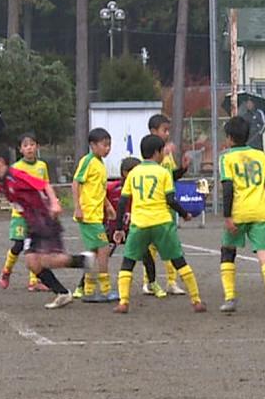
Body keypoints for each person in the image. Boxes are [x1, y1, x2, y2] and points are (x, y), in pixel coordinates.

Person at [0, 150, 94, 309]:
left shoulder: (16, 175)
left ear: (0, 161)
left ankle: (85, 261)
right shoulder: (0, 180)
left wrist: (54, 202)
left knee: (47, 260)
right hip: (32, 223)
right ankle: (62, 293)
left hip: (44, 219)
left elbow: (44, 184)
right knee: (32, 262)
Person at [113, 135, 205, 315]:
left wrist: (118, 228)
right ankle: (196, 301)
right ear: (156, 152)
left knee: (128, 262)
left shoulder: (133, 173)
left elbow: (123, 202)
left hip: (139, 224)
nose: (164, 154)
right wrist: (184, 213)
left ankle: (124, 302)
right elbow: (170, 199)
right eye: (163, 151)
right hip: (162, 222)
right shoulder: (163, 172)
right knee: (179, 260)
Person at [218, 116, 265, 316]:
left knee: (228, 251)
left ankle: (230, 298)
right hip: (260, 211)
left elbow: (227, 188)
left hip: (238, 213)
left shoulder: (226, 158)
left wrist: (227, 216)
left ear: (229, 137)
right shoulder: (260, 156)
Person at [144, 114, 190, 297]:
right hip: (154, 209)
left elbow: (170, 176)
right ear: (153, 132)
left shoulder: (167, 154)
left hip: (167, 210)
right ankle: (149, 282)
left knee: (170, 246)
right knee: (150, 249)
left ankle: (171, 282)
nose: (167, 133)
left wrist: (183, 169)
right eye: (164, 130)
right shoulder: (150, 153)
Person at [0, 133, 51, 292]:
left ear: (37, 147)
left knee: (35, 247)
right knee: (19, 245)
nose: (29, 148)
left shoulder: (42, 166)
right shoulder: (16, 168)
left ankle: (34, 280)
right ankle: (6, 271)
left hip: (37, 214)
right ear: (21, 149)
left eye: (32, 144)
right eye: (25, 145)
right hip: (20, 214)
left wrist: (50, 201)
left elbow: (45, 185)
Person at [71, 128, 116, 302]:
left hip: (96, 214)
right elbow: (76, 184)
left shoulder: (100, 163)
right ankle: (105, 289)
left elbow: (98, 189)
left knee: (92, 252)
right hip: (88, 215)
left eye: (109, 145)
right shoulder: (88, 161)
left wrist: (108, 205)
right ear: (93, 145)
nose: (108, 148)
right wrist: (78, 207)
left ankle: (88, 290)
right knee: (104, 249)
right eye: (104, 145)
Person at [107, 157, 157, 288]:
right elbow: (101, 199)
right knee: (101, 254)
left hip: (133, 229)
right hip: (114, 229)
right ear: (124, 173)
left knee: (147, 256)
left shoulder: (141, 188)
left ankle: (152, 283)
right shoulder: (113, 188)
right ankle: (81, 286)